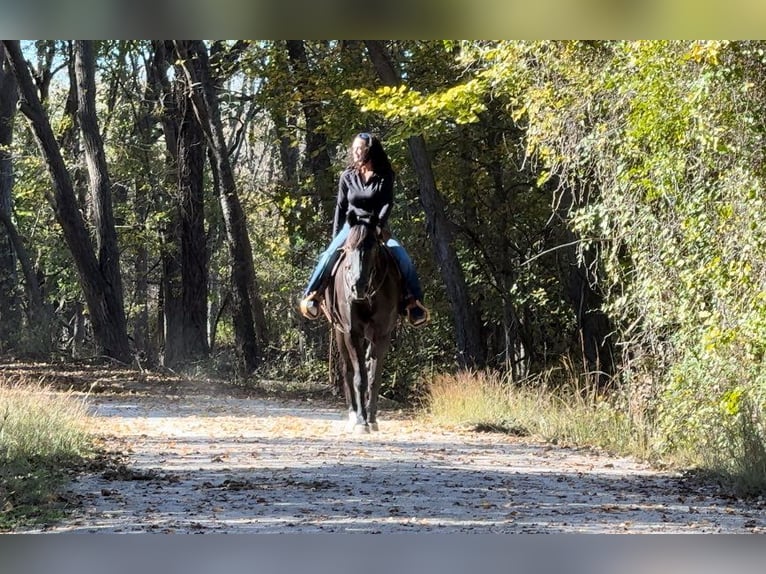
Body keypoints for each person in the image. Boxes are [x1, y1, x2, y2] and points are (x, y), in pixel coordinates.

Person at [299, 132, 429, 327]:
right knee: (327, 256)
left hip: (376, 226)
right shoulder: (347, 176)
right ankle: (313, 296)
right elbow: (341, 208)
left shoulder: (384, 175)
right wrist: (336, 237)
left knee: (403, 258)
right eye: (354, 149)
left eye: (360, 148)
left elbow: (387, 204)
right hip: (351, 228)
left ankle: (414, 303)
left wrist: (378, 226)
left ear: (370, 150)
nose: (356, 152)